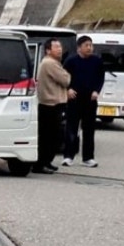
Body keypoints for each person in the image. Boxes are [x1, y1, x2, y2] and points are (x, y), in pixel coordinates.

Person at [62, 34, 105, 168]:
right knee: (71, 129)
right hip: (74, 99)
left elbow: (100, 78)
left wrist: (96, 91)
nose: (89, 48)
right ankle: (68, 156)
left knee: (89, 129)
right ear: (79, 48)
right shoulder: (71, 61)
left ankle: (88, 158)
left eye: (91, 45)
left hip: (90, 100)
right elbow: (63, 77)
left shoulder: (97, 61)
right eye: (86, 45)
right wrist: (68, 89)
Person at [34, 38, 70, 173]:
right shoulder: (50, 63)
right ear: (48, 50)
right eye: (56, 47)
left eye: (60, 46)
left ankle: (46, 162)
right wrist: (67, 74)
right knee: (49, 136)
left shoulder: (52, 62)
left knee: (52, 136)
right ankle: (41, 163)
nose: (60, 49)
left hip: (50, 104)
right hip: (51, 104)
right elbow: (66, 80)